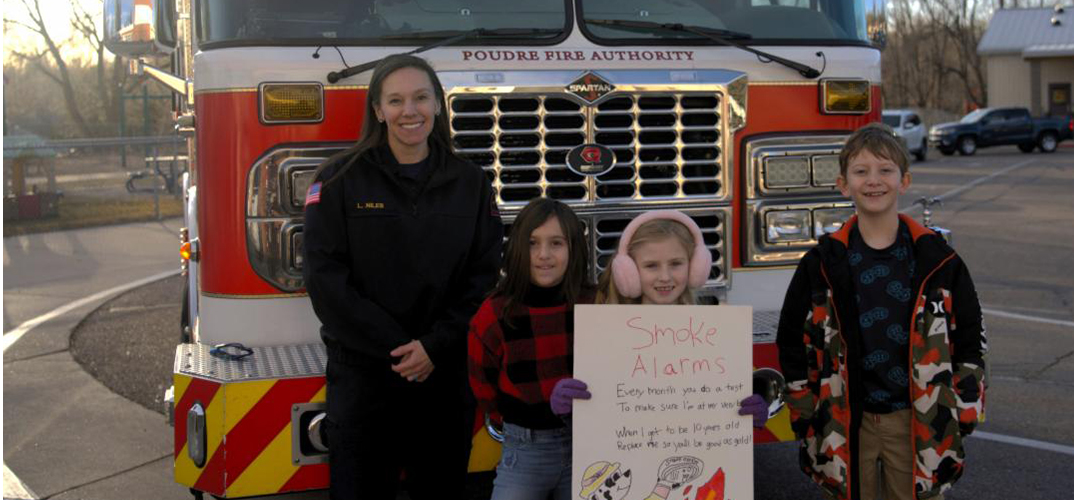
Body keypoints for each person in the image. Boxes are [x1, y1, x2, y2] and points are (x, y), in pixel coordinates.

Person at [303, 53, 502, 500]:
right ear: (377, 110)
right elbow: (324, 279)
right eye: (395, 100)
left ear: (437, 105)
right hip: (365, 380)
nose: (409, 111)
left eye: (420, 98)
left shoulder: (471, 183)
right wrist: (396, 348)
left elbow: (483, 276)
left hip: (443, 378)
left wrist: (434, 346)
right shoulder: (338, 182)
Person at [775, 123, 987, 500]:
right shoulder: (821, 263)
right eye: (861, 171)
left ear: (904, 181)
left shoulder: (939, 261)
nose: (874, 181)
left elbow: (969, 336)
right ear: (844, 184)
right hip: (843, 422)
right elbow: (792, 335)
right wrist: (804, 406)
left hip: (917, 422)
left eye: (885, 170)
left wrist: (965, 402)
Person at [551, 210, 770, 466]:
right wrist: (567, 405)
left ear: (694, 267)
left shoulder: (713, 339)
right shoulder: (604, 337)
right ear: (628, 272)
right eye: (651, 266)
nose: (665, 277)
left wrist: (747, 414)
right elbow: (596, 412)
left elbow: (719, 414)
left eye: (676, 263)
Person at [467, 198, 593, 500]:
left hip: (588, 445)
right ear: (517, 249)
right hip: (525, 450)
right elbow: (482, 383)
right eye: (533, 243)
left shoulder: (594, 303)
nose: (543, 255)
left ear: (574, 249)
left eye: (557, 243)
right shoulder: (496, 312)